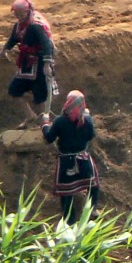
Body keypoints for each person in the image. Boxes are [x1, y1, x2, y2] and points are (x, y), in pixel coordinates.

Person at [41, 90, 102, 223]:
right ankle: (93, 208)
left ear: (68, 102)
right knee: (93, 184)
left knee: (66, 192)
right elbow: (90, 136)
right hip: (83, 159)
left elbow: (49, 138)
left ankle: (69, 219)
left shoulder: (59, 121)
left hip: (66, 162)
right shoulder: (87, 120)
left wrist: (45, 124)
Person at [0, 0, 56, 128]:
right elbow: (14, 38)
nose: (18, 16)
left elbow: (46, 44)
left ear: (27, 11)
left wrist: (47, 64)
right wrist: (4, 50)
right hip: (25, 63)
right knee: (14, 90)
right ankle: (30, 115)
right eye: (16, 14)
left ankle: (44, 123)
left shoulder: (36, 25)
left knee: (40, 94)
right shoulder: (19, 26)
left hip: (39, 63)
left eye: (20, 13)